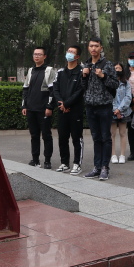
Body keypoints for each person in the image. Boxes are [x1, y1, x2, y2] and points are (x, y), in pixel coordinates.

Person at [82, 38, 120, 181]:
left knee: (105, 137)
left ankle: (105, 167)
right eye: (91, 46)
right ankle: (96, 167)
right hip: (90, 106)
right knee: (96, 138)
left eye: (96, 46)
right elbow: (82, 87)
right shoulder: (85, 65)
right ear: (88, 48)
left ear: (101, 48)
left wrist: (103, 76)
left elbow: (115, 84)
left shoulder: (107, 64)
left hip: (104, 106)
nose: (94, 48)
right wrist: (84, 75)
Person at [21, 47, 57, 169]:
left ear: (44, 56)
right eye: (35, 54)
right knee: (34, 135)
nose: (36, 56)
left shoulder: (49, 71)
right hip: (31, 109)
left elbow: (53, 91)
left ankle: (47, 160)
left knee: (46, 136)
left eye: (39, 54)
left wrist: (49, 107)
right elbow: (25, 89)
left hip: (44, 109)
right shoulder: (31, 70)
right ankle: (35, 159)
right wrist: (24, 105)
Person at [52, 44, 85, 174]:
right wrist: (61, 104)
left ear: (77, 56)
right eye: (68, 51)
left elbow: (80, 91)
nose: (69, 53)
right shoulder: (60, 72)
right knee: (62, 137)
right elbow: (55, 89)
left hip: (75, 110)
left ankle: (77, 164)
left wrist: (67, 104)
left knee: (77, 138)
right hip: (62, 110)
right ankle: (64, 163)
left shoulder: (81, 72)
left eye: (72, 52)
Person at [111, 66, 133, 164]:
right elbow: (109, 96)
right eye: (115, 68)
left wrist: (119, 109)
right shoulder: (110, 82)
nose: (117, 70)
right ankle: (113, 155)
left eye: (119, 68)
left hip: (124, 111)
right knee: (112, 134)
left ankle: (122, 155)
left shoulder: (126, 83)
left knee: (123, 133)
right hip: (112, 111)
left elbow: (128, 97)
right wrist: (115, 109)